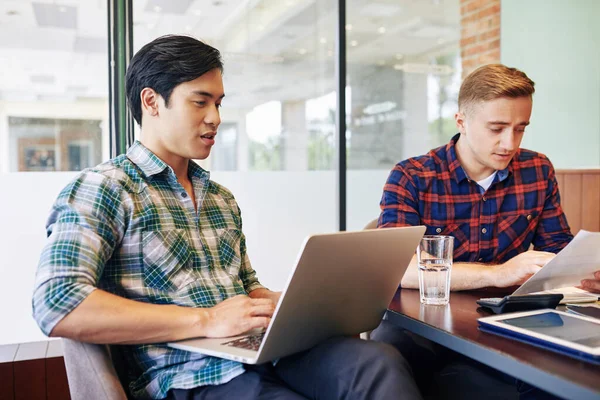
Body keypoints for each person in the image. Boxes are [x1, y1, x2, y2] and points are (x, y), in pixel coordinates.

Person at [32, 35, 422, 400]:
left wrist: (297, 306)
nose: (215, 117)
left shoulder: (220, 198)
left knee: (378, 363)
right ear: (152, 102)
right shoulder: (105, 188)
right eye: (200, 102)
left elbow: (247, 287)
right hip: (185, 374)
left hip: (259, 349)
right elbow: (58, 302)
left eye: (218, 103)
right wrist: (205, 321)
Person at [373, 64, 600, 399]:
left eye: (520, 128)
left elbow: (558, 251)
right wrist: (501, 272)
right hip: (418, 325)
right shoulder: (412, 176)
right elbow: (397, 269)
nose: (509, 143)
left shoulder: (536, 170)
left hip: (505, 321)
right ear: (461, 122)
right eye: (497, 128)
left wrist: (583, 273)